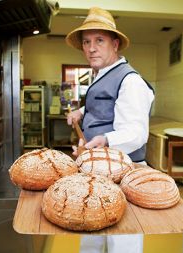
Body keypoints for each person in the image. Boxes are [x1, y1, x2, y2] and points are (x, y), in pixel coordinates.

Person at [65, 6, 155, 253]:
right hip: (100, 171)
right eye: (86, 42)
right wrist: (80, 112)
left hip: (123, 174)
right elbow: (102, 105)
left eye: (99, 40)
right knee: (93, 234)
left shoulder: (130, 81)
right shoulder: (101, 75)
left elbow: (136, 133)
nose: (91, 48)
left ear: (115, 45)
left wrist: (103, 140)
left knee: (122, 242)